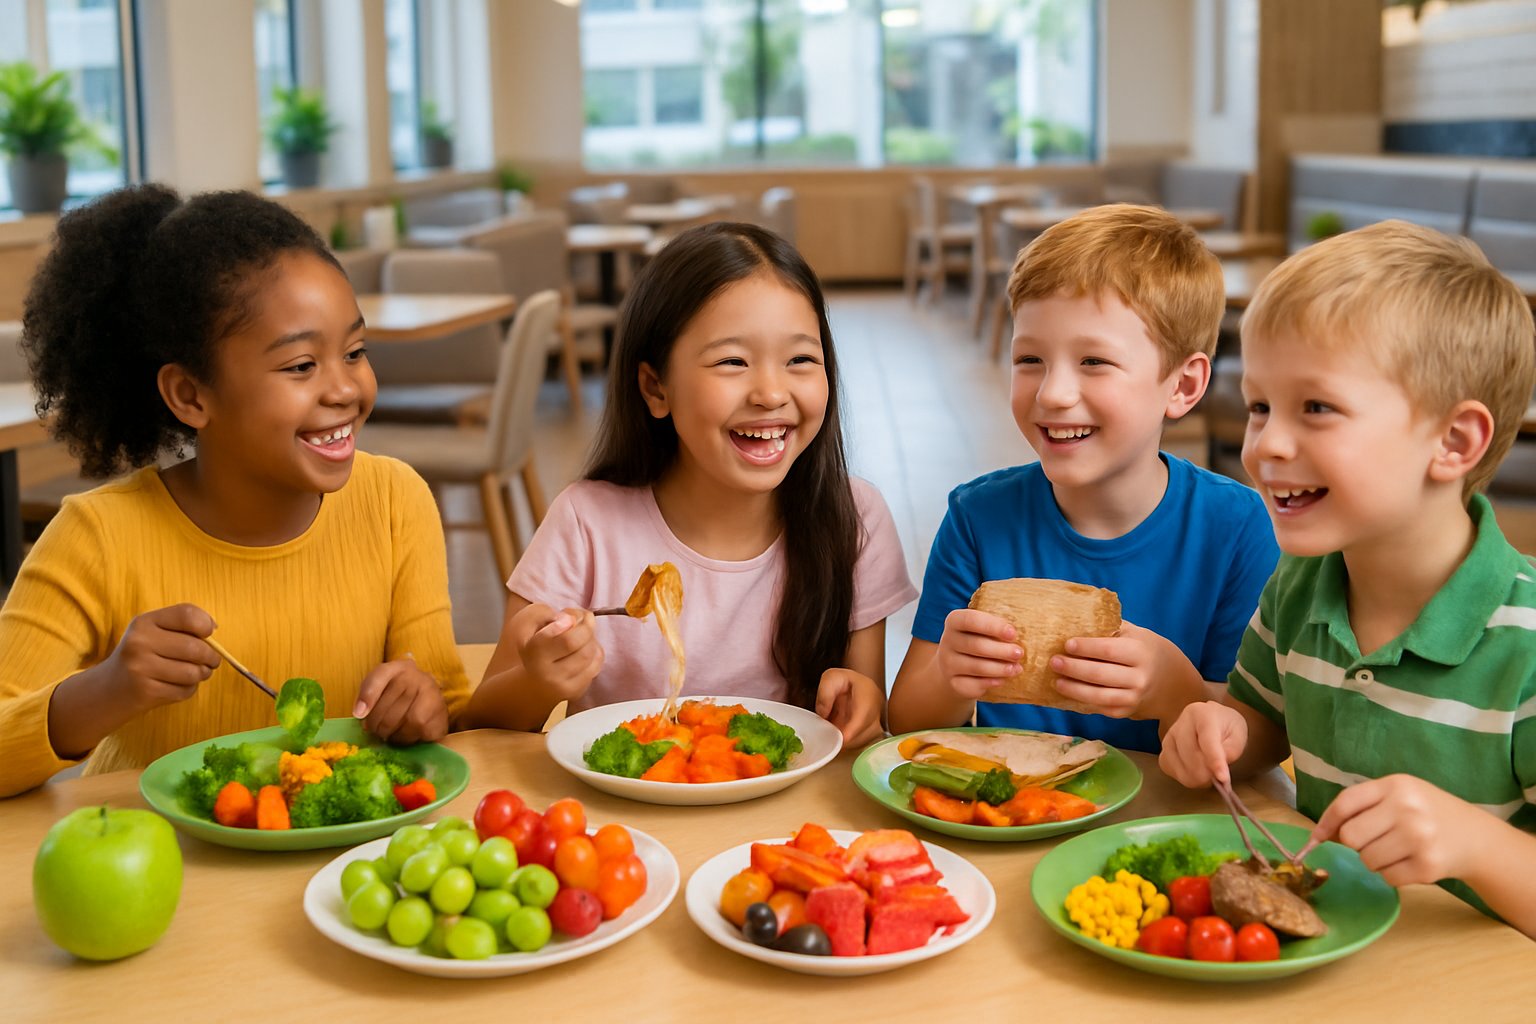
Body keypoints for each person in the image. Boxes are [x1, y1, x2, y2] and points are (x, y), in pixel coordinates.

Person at [0, 184, 468, 797]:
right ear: (192, 396)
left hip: (342, 870)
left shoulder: (393, 502)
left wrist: (426, 709)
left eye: (354, 352)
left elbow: (451, 712)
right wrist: (104, 691)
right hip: (158, 873)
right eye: (301, 366)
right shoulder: (97, 537)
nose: (345, 389)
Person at [1159, 221, 1536, 936]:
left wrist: (1478, 845)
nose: (1266, 444)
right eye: (1261, 406)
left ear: (1453, 442)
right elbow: (1267, 727)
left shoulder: (1526, 644)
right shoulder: (1300, 586)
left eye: (1317, 409)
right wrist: (1224, 730)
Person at [465, 222, 916, 745]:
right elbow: (481, 728)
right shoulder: (586, 522)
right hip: (622, 821)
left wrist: (860, 704)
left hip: (785, 819)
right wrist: (537, 680)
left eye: (800, 360)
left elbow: (862, 714)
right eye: (732, 362)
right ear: (656, 388)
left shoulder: (853, 516)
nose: (771, 393)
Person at [888, 204, 1278, 752]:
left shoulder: (1239, 529)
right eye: (1029, 359)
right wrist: (948, 678)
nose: (1052, 393)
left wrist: (1176, 691)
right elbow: (906, 722)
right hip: (1014, 815)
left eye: (1093, 361)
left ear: (1183, 386)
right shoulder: (977, 518)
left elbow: (1262, 745)